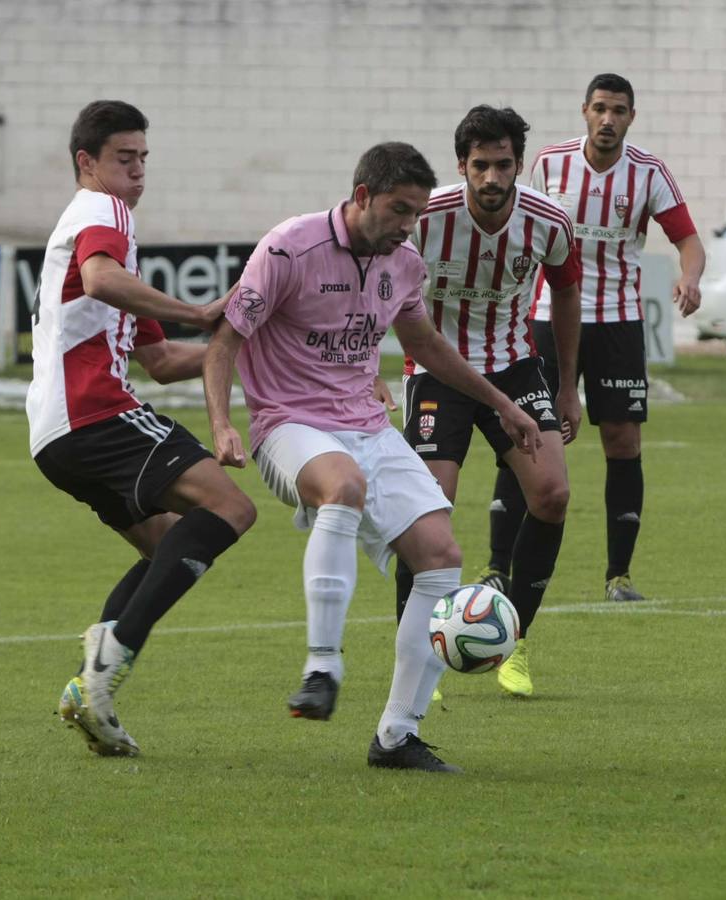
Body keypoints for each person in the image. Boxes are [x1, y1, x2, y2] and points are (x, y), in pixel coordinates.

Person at [203, 142, 543, 773]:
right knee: (344, 485)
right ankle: (322, 667)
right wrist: (223, 424)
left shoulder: (404, 261)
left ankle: (397, 736)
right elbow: (224, 342)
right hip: (289, 424)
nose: (408, 226)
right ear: (362, 196)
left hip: (367, 424)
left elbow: (427, 345)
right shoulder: (289, 248)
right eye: (398, 210)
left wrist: (503, 404)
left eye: (416, 213)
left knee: (441, 557)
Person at [27, 100, 256, 757]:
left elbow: (159, 364)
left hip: (56, 436)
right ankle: (105, 669)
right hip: (94, 412)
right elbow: (101, 280)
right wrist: (193, 310)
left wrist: (249, 358)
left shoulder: (91, 231)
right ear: (87, 163)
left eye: (143, 158)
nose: (137, 171)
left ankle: (94, 682)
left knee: (167, 545)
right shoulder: (105, 213)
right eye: (124, 158)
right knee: (231, 507)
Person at [481, 73, 705, 603]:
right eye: (600, 108)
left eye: (619, 110)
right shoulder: (550, 164)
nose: (608, 119)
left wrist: (690, 276)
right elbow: (516, 226)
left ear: (632, 116)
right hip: (544, 317)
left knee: (623, 442)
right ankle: (496, 566)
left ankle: (619, 576)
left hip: (618, 320)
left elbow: (689, 240)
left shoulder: (649, 173)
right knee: (527, 435)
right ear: (585, 111)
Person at [392, 106, 582, 699]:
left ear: (519, 165)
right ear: (462, 167)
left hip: (513, 367)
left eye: (503, 165)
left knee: (552, 494)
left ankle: (513, 640)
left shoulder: (550, 221)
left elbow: (569, 292)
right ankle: (418, 654)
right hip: (435, 369)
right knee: (428, 510)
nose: (492, 178)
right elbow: (378, 283)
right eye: (481, 166)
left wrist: (567, 385)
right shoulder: (426, 216)